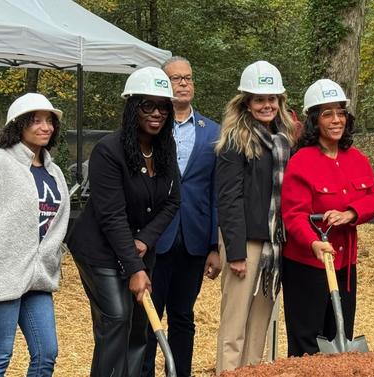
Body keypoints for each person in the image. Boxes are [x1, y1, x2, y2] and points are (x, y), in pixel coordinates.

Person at [67, 67, 180, 377]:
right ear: (133, 107)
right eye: (148, 105)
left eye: (163, 107)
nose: (157, 113)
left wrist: (144, 240)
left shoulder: (165, 149)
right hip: (100, 250)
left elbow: (173, 201)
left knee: (139, 324)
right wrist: (135, 268)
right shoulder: (108, 151)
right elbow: (111, 215)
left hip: (140, 249)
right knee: (117, 318)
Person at [281, 79, 374, 356]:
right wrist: (314, 243)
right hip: (308, 265)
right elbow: (294, 215)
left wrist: (351, 213)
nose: (337, 120)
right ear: (314, 121)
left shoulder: (357, 159)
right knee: (307, 343)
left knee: (339, 335)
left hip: (344, 264)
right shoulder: (301, 161)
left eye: (340, 113)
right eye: (328, 114)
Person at [214, 60, 299, 373]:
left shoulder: (282, 142)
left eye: (272, 99)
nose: (267, 105)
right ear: (246, 103)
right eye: (260, 99)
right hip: (244, 243)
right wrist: (235, 252)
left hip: (273, 246)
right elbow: (228, 199)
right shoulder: (234, 142)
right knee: (234, 325)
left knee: (259, 324)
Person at [141, 57, 221, 377]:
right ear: (164, 85)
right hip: (156, 237)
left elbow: (217, 190)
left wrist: (214, 244)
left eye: (188, 78)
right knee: (149, 316)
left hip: (194, 239)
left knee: (183, 317)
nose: (184, 83)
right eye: (176, 79)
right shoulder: (152, 128)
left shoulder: (213, 131)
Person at [0, 93, 71, 376]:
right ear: (19, 125)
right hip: (5, 273)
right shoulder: (0, 162)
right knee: (0, 356)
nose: (45, 127)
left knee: (46, 353)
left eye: (49, 121)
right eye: (36, 121)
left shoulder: (55, 172)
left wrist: (51, 255)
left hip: (39, 277)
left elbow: (59, 221)